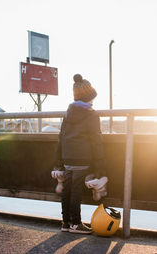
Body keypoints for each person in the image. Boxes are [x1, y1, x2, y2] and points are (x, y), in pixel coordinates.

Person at [54, 73, 106, 234]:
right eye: (92, 98)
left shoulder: (68, 113)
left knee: (67, 190)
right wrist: (100, 165)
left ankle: (65, 223)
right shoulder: (91, 114)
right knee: (76, 190)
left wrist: (59, 162)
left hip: (68, 156)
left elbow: (61, 137)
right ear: (88, 98)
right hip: (82, 157)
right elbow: (96, 141)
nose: (93, 101)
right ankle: (76, 223)